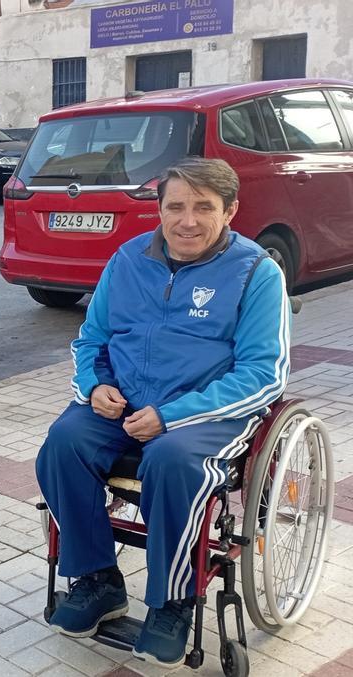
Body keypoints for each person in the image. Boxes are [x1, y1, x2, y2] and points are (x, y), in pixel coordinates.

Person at [36, 157, 290, 668]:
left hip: (207, 414)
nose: (187, 220)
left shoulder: (256, 273)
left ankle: (172, 601)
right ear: (160, 209)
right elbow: (91, 339)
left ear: (230, 211)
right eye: (176, 206)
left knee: (171, 461)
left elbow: (264, 374)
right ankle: (97, 579)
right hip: (124, 403)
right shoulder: (127, 260)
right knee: (62, 444)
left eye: (204, 208)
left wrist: (171, 416)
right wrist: (95, 386)